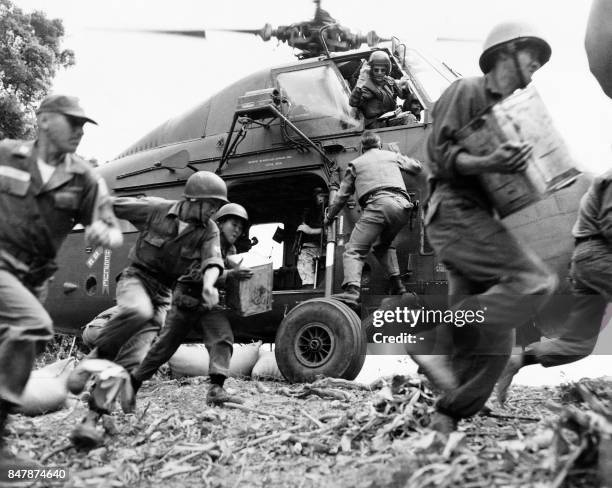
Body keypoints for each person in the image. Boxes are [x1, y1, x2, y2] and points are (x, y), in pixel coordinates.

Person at [418, 20, 559, 433]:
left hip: (478, 216)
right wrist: (491, 162)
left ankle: (446, 417)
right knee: (533, 282)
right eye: (531, 53)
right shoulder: (466, 91)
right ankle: (436, 340)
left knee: (494, 345)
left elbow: (498, 178)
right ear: (504, 53)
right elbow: (440, 157)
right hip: (454, 212)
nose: (537, 64)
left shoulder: (506, 116)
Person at [0, 94, 123, 469]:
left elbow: (112, 227)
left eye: (84, 125)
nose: (80, 131)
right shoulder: (6, 155)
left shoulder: (84, 177)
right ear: (44, 121)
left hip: (33, 280)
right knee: (33, 325)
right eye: (73, 122)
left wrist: (104, 232)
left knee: (17, 342)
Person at [71, 171, 228, 446]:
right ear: (193, 200)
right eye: (211, 205)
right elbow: (108, 204)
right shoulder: (156, 210)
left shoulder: (209, 230)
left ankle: (92, 419)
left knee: (131, 361)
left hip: (163, 294)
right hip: (136, 279)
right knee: (138, 312)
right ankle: (91, 362)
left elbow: (213, 260)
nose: (214, 211)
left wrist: (209, 285)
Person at [127, 203, 255, 409]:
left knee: (222, 336)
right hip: (185, 300)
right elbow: (193, 273)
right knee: (163, 348)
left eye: (241, 227)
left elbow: (230, 269)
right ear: (220, 224)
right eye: (234, 224)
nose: (237, 230)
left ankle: (216, 389)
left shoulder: (228, 249)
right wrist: (230, 275)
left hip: (207, 305)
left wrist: (244, 273)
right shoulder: (202, 240)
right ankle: (132, 384)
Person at [324, 131, 422, 306]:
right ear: (379, 145)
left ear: (363, 147)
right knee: (382, 246)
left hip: (378, 205)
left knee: (353, 249)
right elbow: (416, 167)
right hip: (403, 209)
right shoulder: (391, 155)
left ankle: (352, 292)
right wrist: (396, 153)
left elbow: (341, 196)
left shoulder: (355, 164)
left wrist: (329, 217)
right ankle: (398, 287)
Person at [349, 51, 414, 129]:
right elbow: (353, 102)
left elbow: (403, 96)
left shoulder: (389, 81)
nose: (379, 73)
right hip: (376, 125)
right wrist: (359, 84)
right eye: (376, 70)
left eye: (382, 70)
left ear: (386, 70)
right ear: (371, 70)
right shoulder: (366, 86)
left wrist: (405, 85)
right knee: (409, 118)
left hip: (391, 118)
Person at [296, 187, 327, 289]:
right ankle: (309, 286)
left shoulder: (329, 210)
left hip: (331, 248)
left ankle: (309, 288)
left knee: (305, 256)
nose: (321, 198)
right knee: (304, 253)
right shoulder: (313, 212)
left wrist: (310, 231)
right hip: (319, 247)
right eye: (318, 195)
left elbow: (331, 231)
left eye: (322, 195)